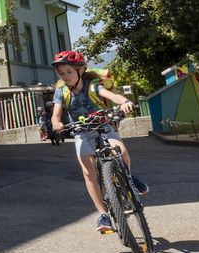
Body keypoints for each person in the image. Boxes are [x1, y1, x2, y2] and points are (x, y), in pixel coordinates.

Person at [49, 50, 149, 234]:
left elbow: (112, 97)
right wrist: (57, 124)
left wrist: (125, 101)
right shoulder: (61, 92)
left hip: (103, 126)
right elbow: (55, 115)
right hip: (81, 132)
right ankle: (103, 214)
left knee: (119, 149)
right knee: (88, 173)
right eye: (61, 73)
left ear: (80, 70)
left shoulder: (92, 85)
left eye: (69, 72)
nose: (65, 76)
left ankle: (129, 178)